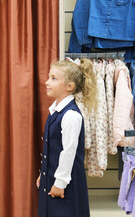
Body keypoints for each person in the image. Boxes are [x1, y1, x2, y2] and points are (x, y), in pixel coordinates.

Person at [36, 59, 98, 217]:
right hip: (53, 180)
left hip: (64, 186)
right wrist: (43, 175)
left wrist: (60, 183)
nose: (46, 82)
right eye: (49, 77)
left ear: (69, 86)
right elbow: (52, 150)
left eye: (53, 78)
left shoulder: (70, 116)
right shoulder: (55, 111)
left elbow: (68, 152)